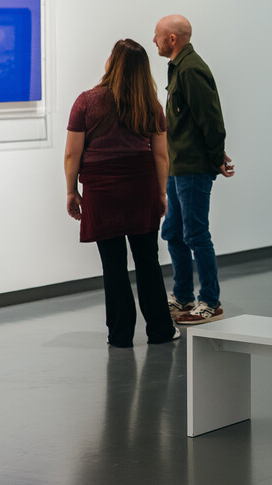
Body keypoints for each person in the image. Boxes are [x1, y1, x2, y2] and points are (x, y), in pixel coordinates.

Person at [64, 39, 178, 347]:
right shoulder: (151, 105)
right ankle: (160, 330)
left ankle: (120, 334)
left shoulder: (86, 102)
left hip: (101, 191)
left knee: (113, 264)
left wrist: (71, 191)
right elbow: (161, 155)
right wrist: (162, 193)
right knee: (148, 260)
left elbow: (72, 154)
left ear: (113, 63)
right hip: (141, 188)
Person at [152, 15, 235, 325]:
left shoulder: (191, 70)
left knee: (196, 234)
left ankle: (210, 301)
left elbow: (211, 120)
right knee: (173, 232)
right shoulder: (179, 68)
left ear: (172, 39)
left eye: (157, 35)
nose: (154, 40)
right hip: (178, 167)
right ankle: (184, 295)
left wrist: (215, 158)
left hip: (193, 169)